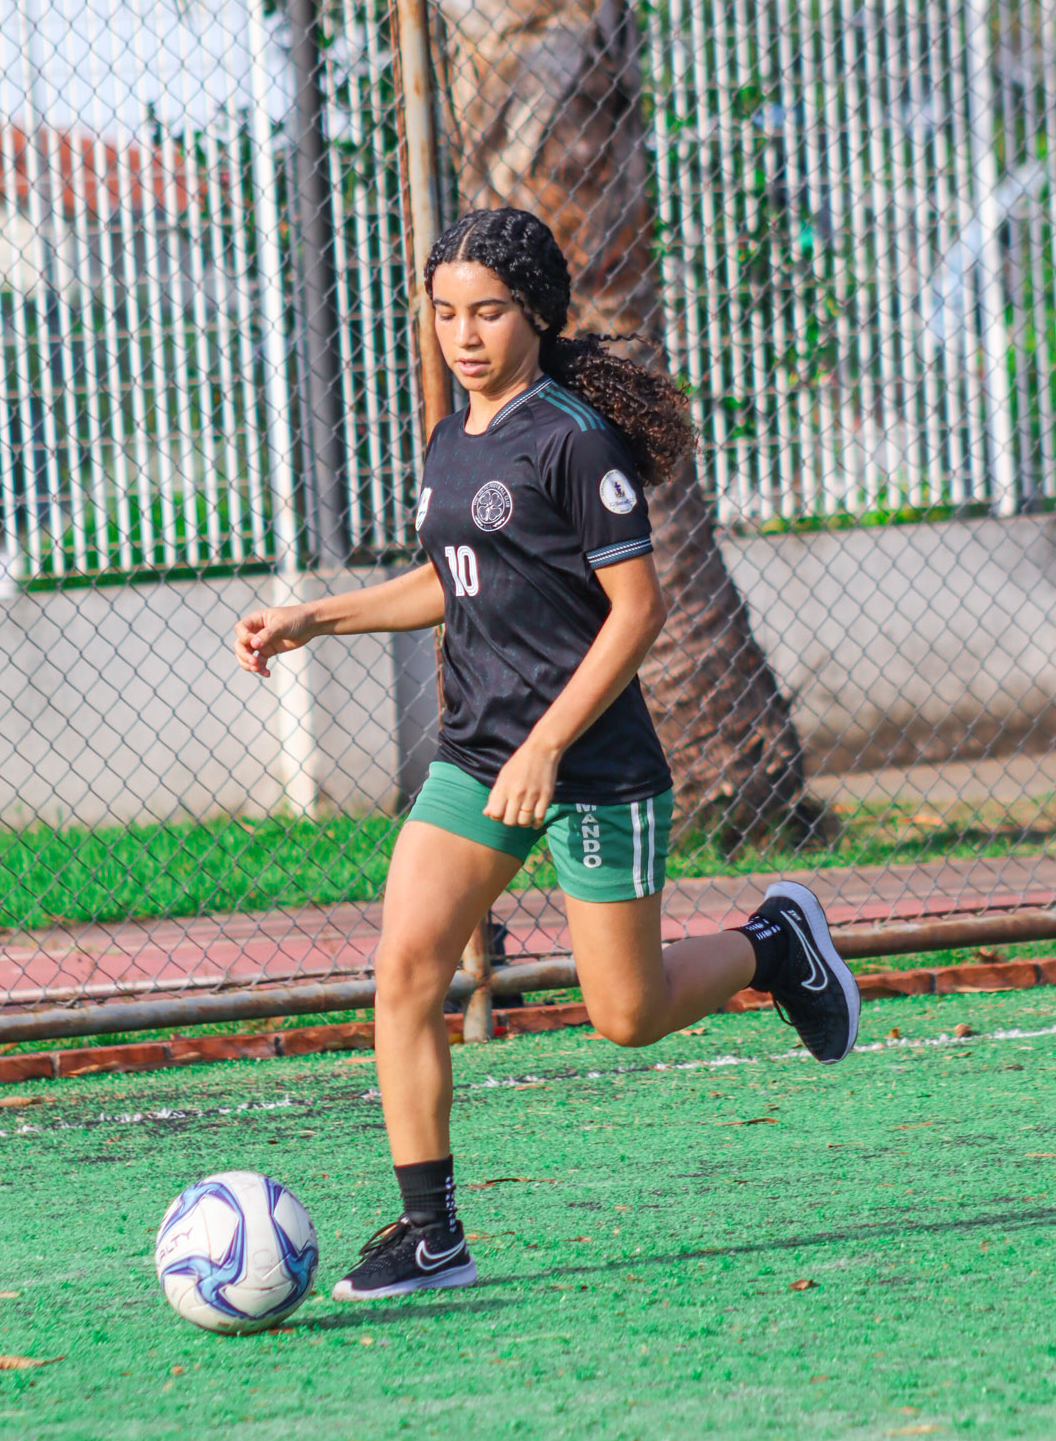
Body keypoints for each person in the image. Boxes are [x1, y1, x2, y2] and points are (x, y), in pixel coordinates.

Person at [234, 209, 859, 1300]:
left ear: (536, 313)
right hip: (478, 755)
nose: (463, 335)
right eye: (444, 313)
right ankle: (432, 1234)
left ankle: (773, 942)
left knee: (628, 1014)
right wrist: (314, 618)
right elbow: (454, 579)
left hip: (593, 766)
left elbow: (637, 609)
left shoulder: (574, 439)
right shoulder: (451, 439)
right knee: (406, 969)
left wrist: (550, 742)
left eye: (487, 312)